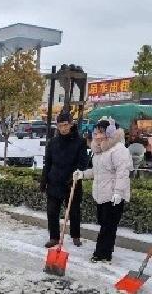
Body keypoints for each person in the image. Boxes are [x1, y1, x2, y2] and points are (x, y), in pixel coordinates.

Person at [73, 119, 133, 263]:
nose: (98, 135)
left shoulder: (119, 150)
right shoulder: (99, 151)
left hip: (113, 195)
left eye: (101, 132)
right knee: (105, 224)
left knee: (108, 226)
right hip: (101, 194)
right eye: (96, 132)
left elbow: (122, 172)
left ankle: (101, 254)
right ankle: (106, 251)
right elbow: (97, 172)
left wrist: (118, 192)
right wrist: (82, 174)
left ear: (109, 133)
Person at [40, 110, 88, 248]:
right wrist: (44, 180)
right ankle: (54, 237)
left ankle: (75, 236)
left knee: (73, 211)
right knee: (52, 211)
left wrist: (74, 175)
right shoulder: (53, 142)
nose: (63, 128)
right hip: (54, 181)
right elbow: (48, 163)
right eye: (60, 125)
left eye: (66, 124)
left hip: (71, 182)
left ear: (71, 124)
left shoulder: (80, 142)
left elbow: (83, 162)